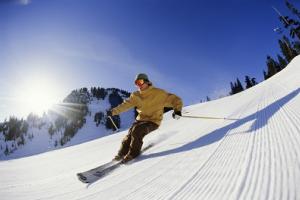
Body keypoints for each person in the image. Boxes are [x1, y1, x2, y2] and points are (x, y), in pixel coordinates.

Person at [107, 73, 183, 163]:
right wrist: (113, 111)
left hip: (153, 121)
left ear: (147, 82)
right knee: (129, 136)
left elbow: (175, 99)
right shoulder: (136, 95)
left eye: (140, 82)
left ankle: (133, 154)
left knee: (137, 131)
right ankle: (121, 154)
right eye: (136, 83)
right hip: (140, 120)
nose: (139, 85)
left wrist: (177, 110)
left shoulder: (159, 93)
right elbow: (125, 105)